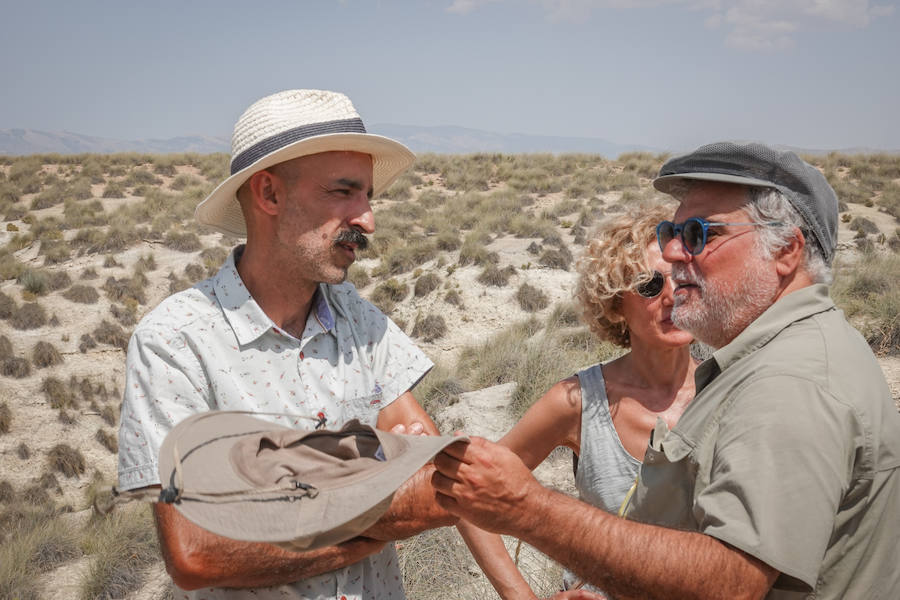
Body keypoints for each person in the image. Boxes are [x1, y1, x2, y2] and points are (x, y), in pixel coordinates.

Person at [432, 141, 900, 599]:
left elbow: (729, 582)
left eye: (702, 234)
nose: (676, 255)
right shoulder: (781, 357)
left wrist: (527, 508)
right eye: (671, 235)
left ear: (785, 252)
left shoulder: (790, 381)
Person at [116, 89, 456, 600]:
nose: (368, 220)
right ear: (269, 195)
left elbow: (437, 481)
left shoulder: (356, 317)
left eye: (368, 196)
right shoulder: (176, 343)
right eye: (344, 191)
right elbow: (197, 550)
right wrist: (376, 501)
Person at [458, 203, 697, 599]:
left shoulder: (728, 390)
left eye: (683, 278)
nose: (672, 296)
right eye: (650, 286)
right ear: (615, 304)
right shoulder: (578, 403)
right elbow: (470, 499)